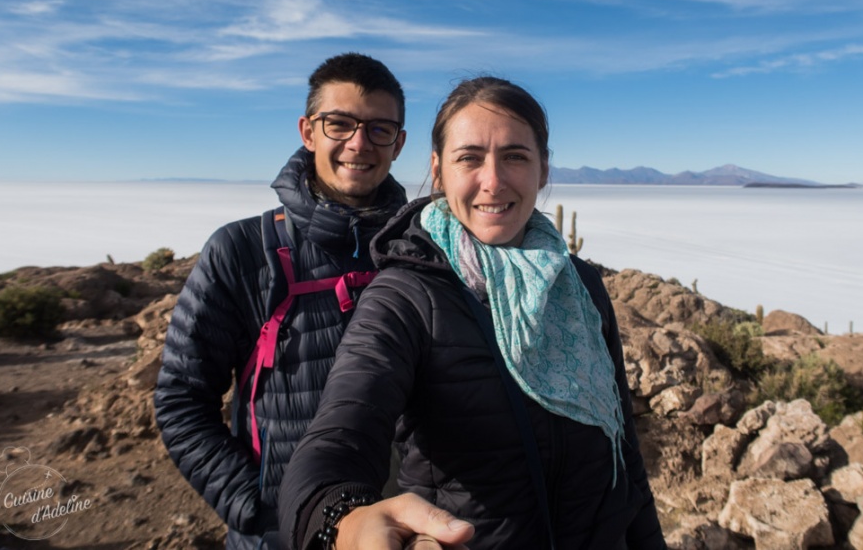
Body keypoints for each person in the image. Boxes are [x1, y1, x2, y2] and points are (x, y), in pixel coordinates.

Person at [279, 77, 666, 549]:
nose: (494, 180)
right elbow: (339, 434)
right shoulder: (407, 297)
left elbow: (623, 448)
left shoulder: (579, 285)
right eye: (470, 158)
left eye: (516, 157)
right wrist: (344, 520)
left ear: (543, 169)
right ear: (438, 172)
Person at [154, 53, 466, 550]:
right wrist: (257, 506)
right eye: (339, 124)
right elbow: (181, 399)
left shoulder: (424, 247)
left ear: (399, 142)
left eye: (379, 129)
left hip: (409, 528)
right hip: (287, 533)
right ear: (308, 131)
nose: (358, 144)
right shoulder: (242, 251)